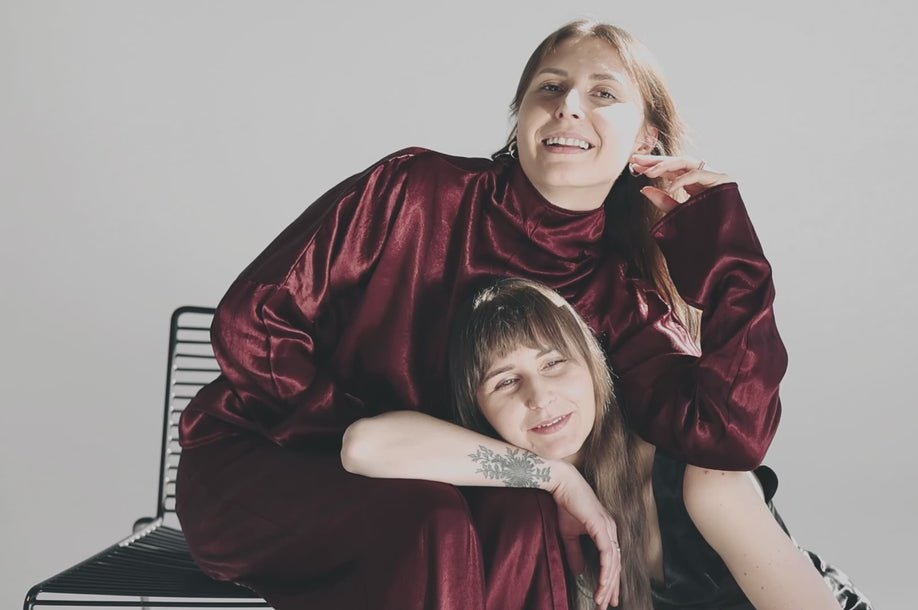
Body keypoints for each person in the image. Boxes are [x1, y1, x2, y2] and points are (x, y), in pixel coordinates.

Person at [176, 18, 786, 610]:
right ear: (520, 117)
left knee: (528, 527)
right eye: (550, 87)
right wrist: (380, 440)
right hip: (269, 461)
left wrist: (730, 257)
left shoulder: (620, 298)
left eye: (603, 93)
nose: (568, 105)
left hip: (449, 485)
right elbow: (253, 325)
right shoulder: (414, 192)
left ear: (646, 142)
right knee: (435, 521)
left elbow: (727, 436)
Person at [355, 277, 870, 609]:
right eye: (505, 381)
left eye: (554, 363)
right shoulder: (531, 499)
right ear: (479, 411)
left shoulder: (702, 480)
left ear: (593, 366)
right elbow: (364, 446)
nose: (539, 397)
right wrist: (555, 476)